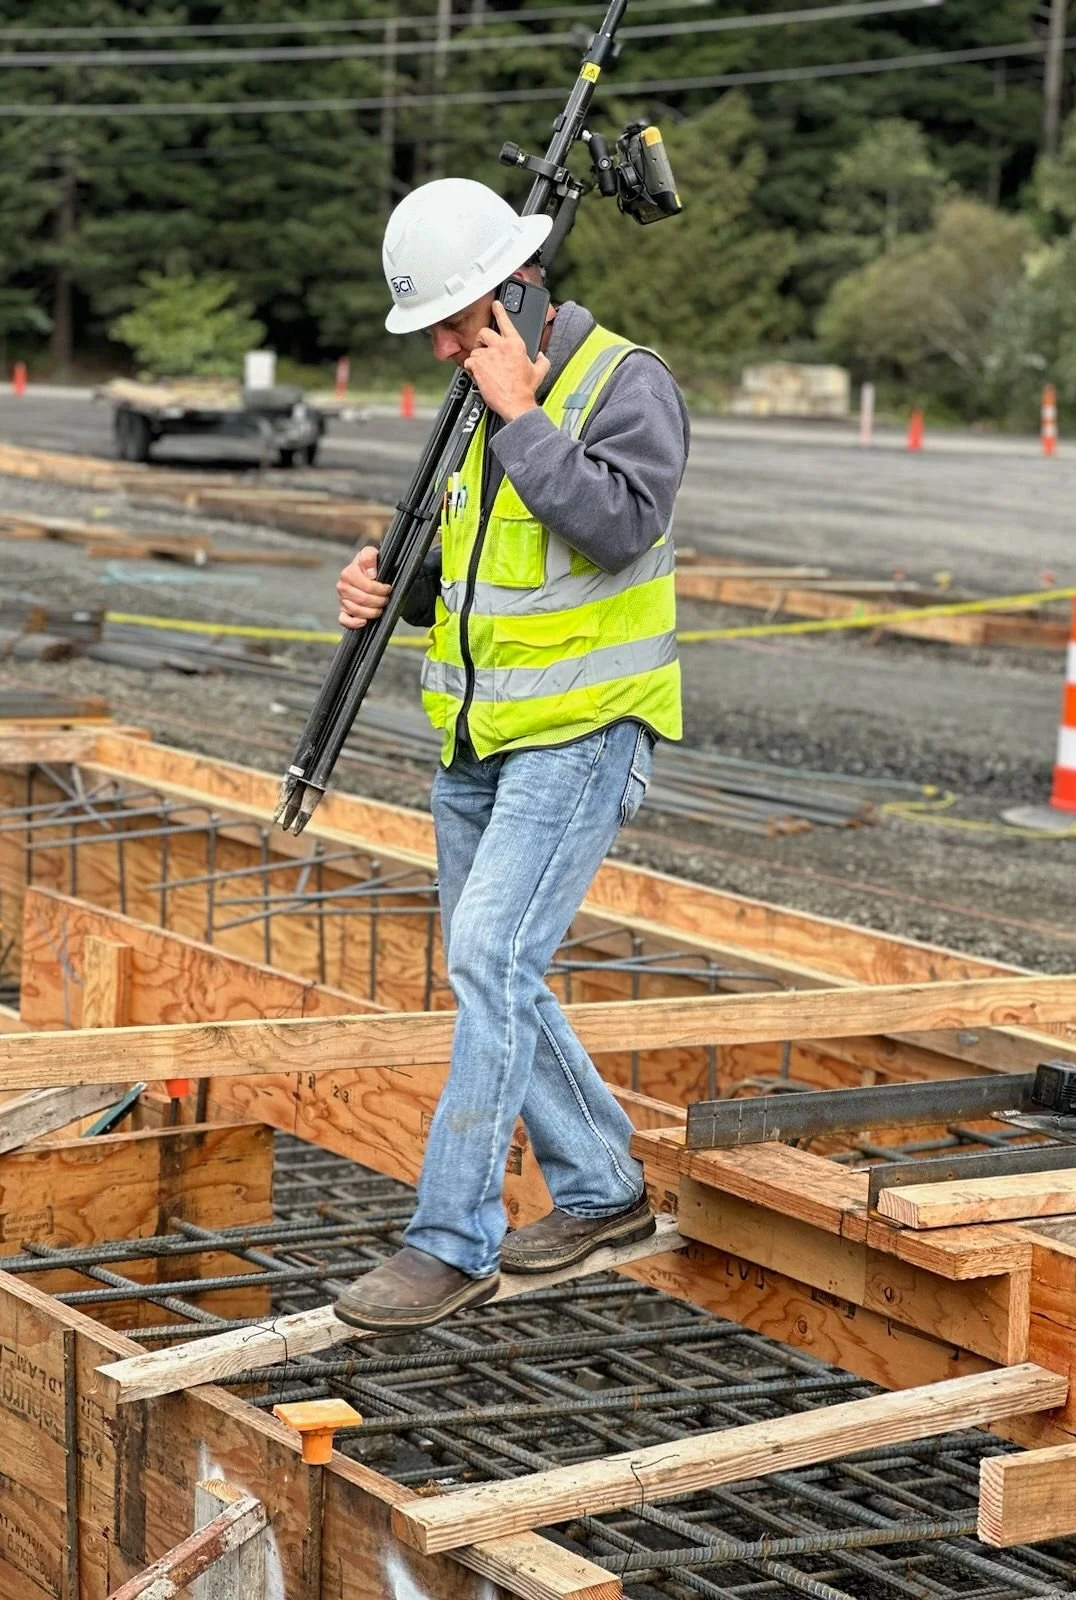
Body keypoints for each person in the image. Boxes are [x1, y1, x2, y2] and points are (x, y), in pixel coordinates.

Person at [334, 176, 690, 1333]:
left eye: (453, 323)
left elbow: (619, 524)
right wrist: (386, 585)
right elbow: (468, 573)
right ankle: (604, 1190)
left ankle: (452, 1242)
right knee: (493, 971)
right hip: (479, 737)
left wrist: (523, 416)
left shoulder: (624, 383)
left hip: (582, 735)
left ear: (517, 288)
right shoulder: (474, 405)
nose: (443, 348)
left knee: (490, 955)